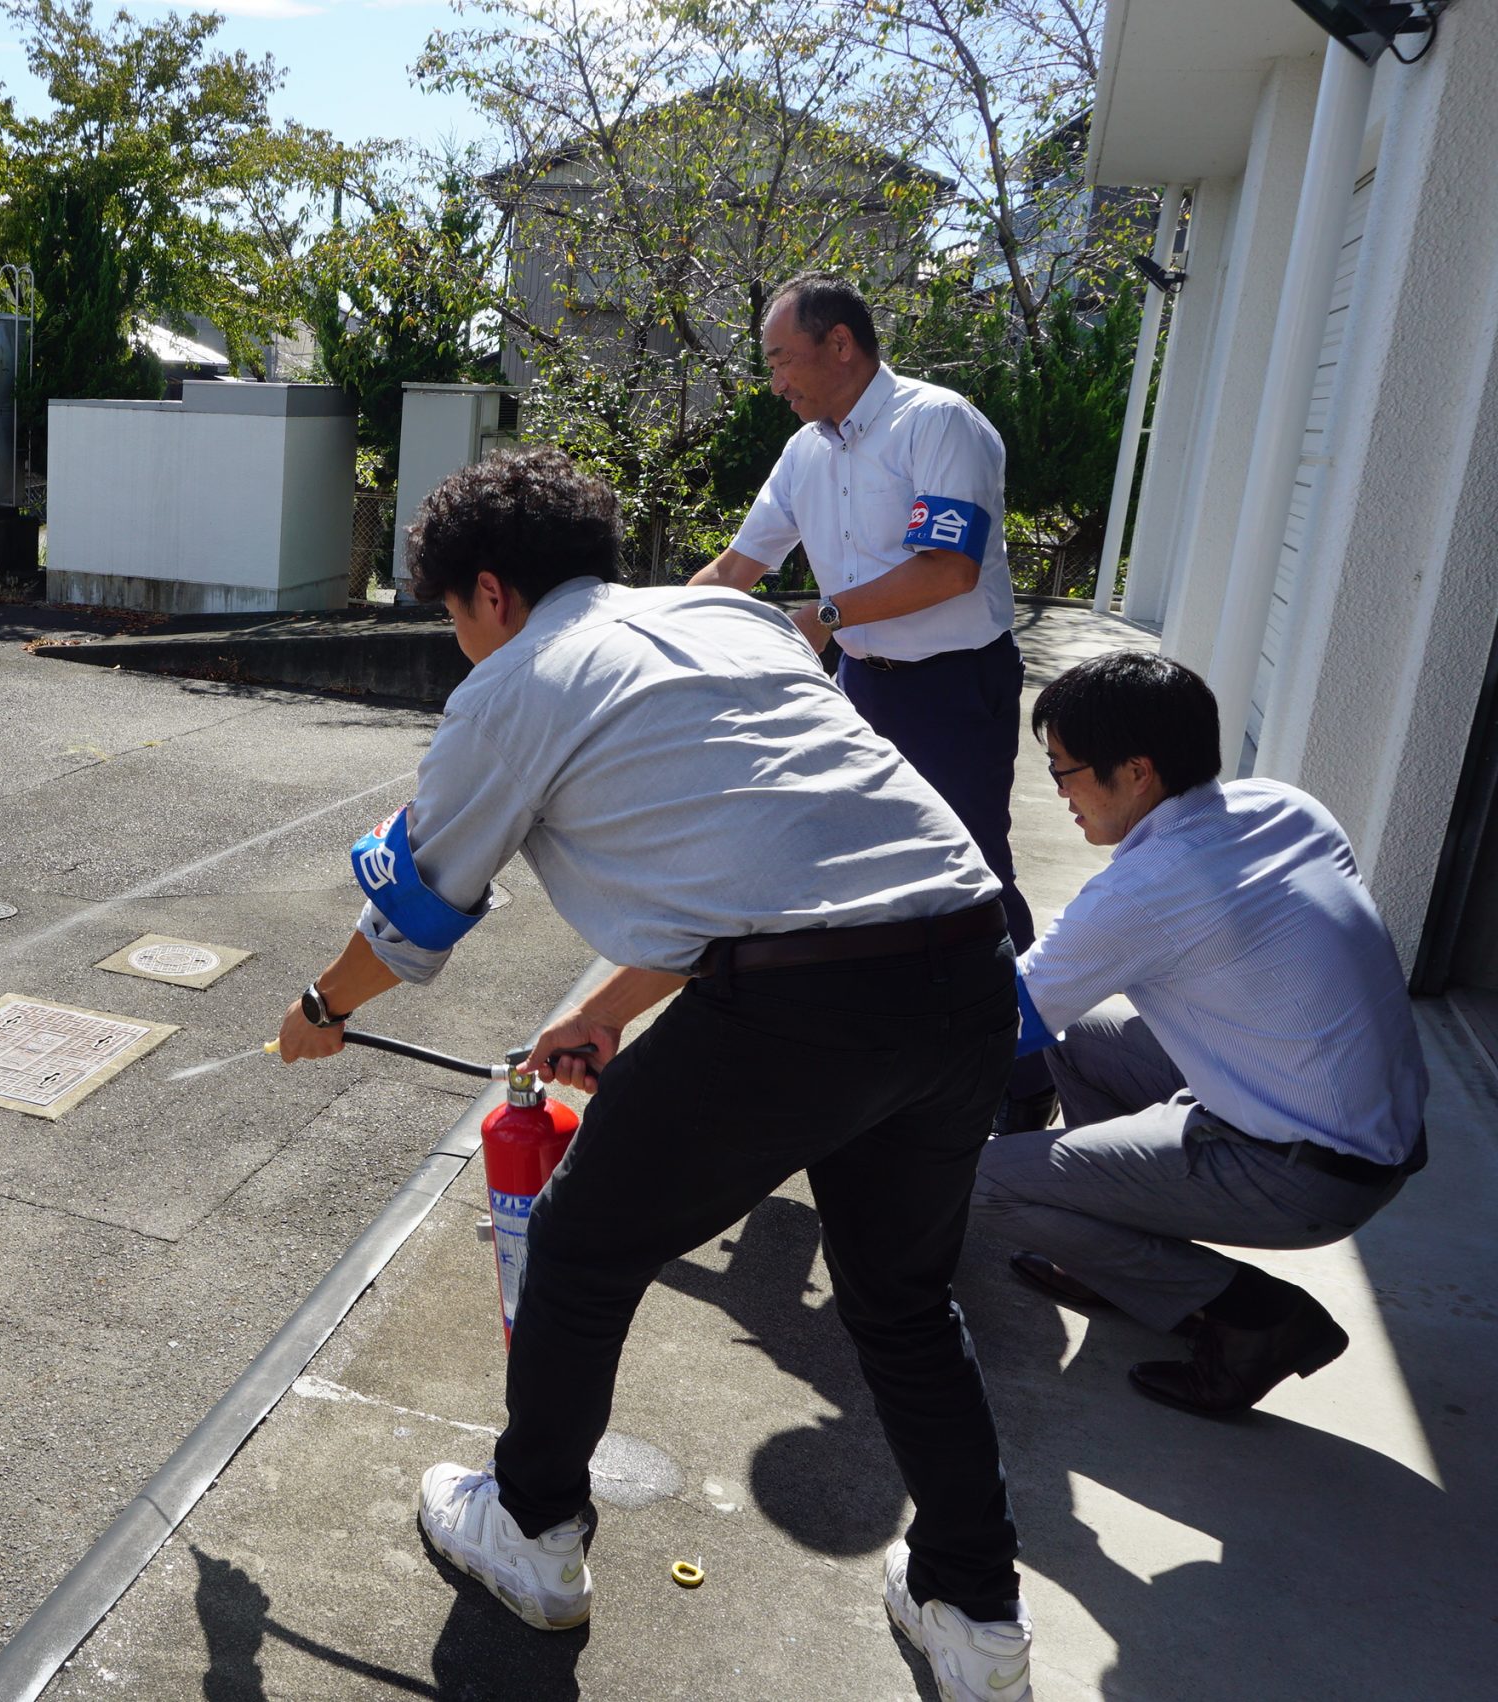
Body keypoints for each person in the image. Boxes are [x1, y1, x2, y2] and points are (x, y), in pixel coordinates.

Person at [275, 448, 1036, 1699]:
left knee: (580, 1250)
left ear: (488, 593)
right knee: (900, 1302)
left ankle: (530, 1533)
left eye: (452, 616)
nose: (460, 640)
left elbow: (415, 907)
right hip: (963, 966)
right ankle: (975, 1614)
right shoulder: (724, 616)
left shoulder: (515, 684)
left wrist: (318, 1007)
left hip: (802, 1007)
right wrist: (606, 1010)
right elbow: (775, 839)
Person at [976, 651, 1428, 1417]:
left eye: (1065, 771)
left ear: (1138, 772)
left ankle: (1256, 1320)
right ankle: (1110, 1252)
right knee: (1076, 1028)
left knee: (985, 1182)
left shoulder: (1144, 892)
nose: (1059, 795)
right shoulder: (1283, 806)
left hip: (1302, 1175)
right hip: (1363, 1132)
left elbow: (995, 1027)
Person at [689, 275, 1051, 1128]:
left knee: (974, 883)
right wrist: (653, 634)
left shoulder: (937, 423)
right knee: (851, 880)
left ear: (840, 344)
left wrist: (825, 615)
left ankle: (1026, 1082)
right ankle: (883, 1066)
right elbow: (736, 570)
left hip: (954, 687)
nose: (774, 380)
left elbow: (948, 569)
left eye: (782, 358)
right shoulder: (806, 452)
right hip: (860, 689)